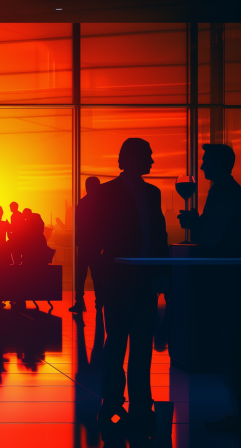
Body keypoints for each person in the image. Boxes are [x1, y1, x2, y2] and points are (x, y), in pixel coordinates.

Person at [91, 138, 168, 435]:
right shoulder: (108, 193)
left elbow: (158, 234)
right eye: (148, 155)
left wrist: (161, 271)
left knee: (137, 345)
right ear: (131, 159)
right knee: (118, 342)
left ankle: (136, 401)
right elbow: (100, 233)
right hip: (122, 277)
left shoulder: (153, 193)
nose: (152, 161)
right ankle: (115, 400)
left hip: (144, 278)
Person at [177, 144, 241, 433]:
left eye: (205, 162)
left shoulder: (223, 192)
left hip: (225, 280)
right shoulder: (228, 190)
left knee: (227, 346)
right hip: (229, 278)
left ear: (218, 164)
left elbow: (211, 239)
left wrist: (194, 223)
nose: (201, 168)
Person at [70, 176, 103, 314]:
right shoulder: (102, 204)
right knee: (97, 275)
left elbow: (78, 222)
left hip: (84, 244)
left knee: (81, 275)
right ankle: (100, 302)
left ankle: (79, 302)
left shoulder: (82, 203)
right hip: (95, 244)